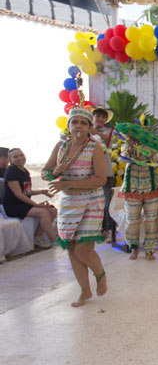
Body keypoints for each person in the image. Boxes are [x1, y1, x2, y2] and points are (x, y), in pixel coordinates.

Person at [41, 104, 107, 308]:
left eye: (83, 123)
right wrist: (54, 172)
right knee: (71, 247)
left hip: (91, 201)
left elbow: (100, 179)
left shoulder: (95, 146)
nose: (79, 126)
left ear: (89, 127)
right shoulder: (61, 147)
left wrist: (67, 183)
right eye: (75, 122)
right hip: (68, 203)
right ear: (69, 126)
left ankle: (100, 274)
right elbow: (45, 173)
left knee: (83, 249)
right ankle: (84, 291)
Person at [118, 134, 158, 260]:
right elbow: (122, 160)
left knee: (152, 219)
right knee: (132, 220)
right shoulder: (126, 144)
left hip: (152, 186)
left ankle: (149, 250)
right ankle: (134, 248)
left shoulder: (152, 143)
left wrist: (147, 150)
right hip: (132, 187)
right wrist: (131, 148)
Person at [2, 148, 56, 247]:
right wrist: (36, 205)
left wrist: (43, 192)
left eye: (21, 155)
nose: (20, 158)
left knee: (53, 210)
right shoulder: (11, 172)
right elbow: (18, 194)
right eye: (15, 157)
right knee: (43, 211)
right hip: (13, 206)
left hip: (24, 204)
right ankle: (55, 241)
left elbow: (27, 191)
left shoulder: (24, 171)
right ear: (10, 160)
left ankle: (37, 237)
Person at [90, 107, 116, 243]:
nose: (100, 119)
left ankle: (110, 231)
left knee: (106, 204)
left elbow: (106, 140)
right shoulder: (85, 133)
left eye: (102, 117)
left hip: (106, 174)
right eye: (97, 116)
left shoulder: (108, 133)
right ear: (93, 117)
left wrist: (91, 130)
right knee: (93, 205)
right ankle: (95, 230)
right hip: (89, 176)